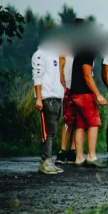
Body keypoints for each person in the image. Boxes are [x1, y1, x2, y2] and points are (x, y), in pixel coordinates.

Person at [69, 46, 107, 166]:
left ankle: (79, 158)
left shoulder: (80, 52)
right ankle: (91, 156)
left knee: (80, 125)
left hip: (75, 94)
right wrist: (98, 95)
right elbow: (87, 76)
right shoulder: (88, 53)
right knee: (93, 123)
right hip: (84, 94)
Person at [32, 44, 65, 175]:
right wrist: (39, 98)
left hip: (56, 96)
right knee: (47, 132)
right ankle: (44, 162)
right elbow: (37, 76)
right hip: (46, 97)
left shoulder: (55, 54)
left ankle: (49, 161)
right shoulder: (40, 54)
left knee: (53, 131)